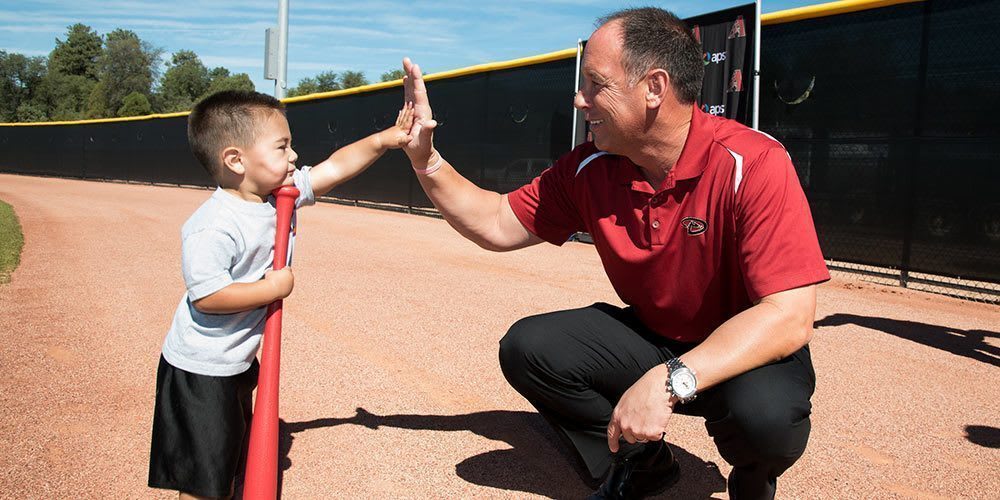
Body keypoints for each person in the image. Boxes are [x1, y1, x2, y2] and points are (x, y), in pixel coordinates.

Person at [399, 7, 829, 500]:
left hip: (743, 349)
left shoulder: (752, 162)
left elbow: (789, 315)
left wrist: (669, 381)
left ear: (654, 87)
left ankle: (753, 478)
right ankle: (644, 464)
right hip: (658, 337)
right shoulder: (591, 167)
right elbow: (496, 222)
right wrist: (426, 160)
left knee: (767, 419)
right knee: (530, 348)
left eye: (596, 84)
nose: (579, 99)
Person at [147, 90, 413, 499]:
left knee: (226, 461)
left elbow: (333, 168)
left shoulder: (276, 196)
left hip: (235, 362)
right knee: (204, 478)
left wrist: (382, 140)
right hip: (200, 369)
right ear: (236, 160)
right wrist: (269, 288)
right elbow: (207, 297)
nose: (294, 156)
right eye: (281, 147)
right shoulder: (213, 225)